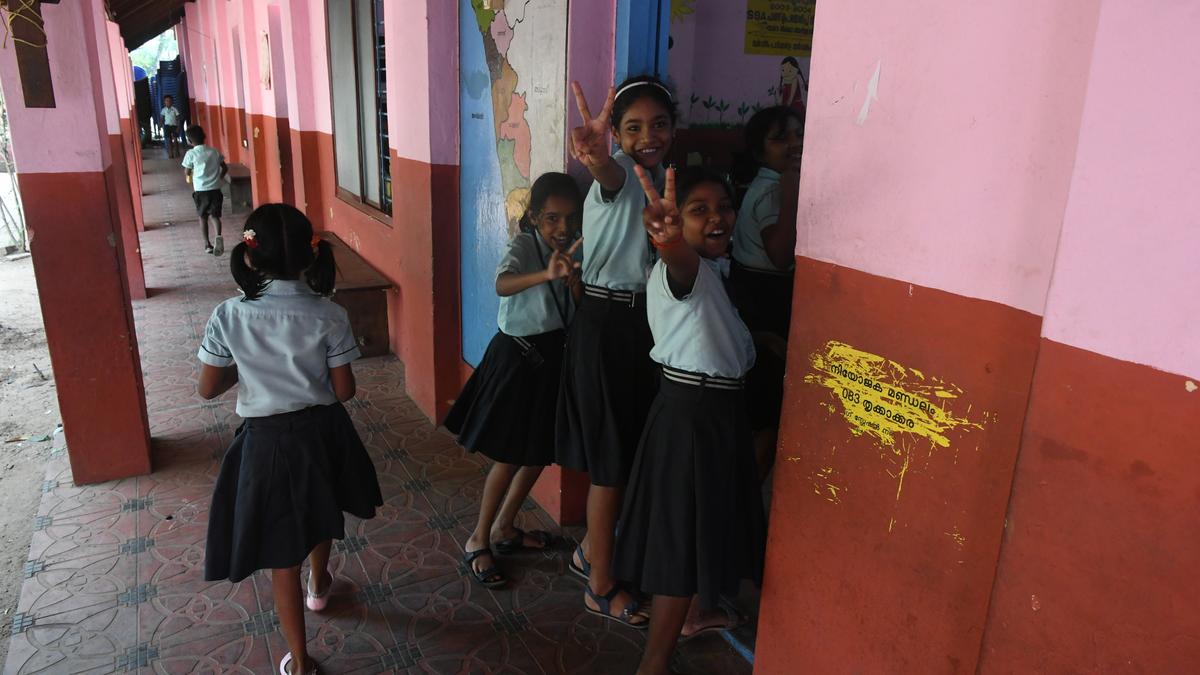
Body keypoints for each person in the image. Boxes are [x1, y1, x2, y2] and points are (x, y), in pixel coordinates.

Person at [197, 203, 383, 675]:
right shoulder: (329, 313)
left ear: (250, 256)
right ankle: (320, 583)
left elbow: (208, 387)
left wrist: (254, 364)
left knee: (283, 554)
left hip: (267, 441)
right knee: (321, 508)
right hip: (322, 434)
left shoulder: (228, 315)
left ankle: (300, 663)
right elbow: (344, 390)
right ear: (308, 255)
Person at [615, 166, 767, 675]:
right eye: (698, 210)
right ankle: (653, 664)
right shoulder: (688, 269)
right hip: (696, 417)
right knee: (680, 538)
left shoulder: (715, 272)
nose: (718, 217)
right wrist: (670, 239)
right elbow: (680, 262)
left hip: (701, 411)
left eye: (723, 206)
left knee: (693, 525)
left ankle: (697, 613)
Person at [556, 75, 679, 629]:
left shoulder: (660, 184)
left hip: (635, 327)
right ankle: (600, 586)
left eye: (658, 125)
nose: (647, 136)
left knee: (622, 452)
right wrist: (596, 156)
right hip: (608, 324)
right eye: (633, 128)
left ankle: (590, 552)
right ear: (618, 138)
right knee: (611, 464)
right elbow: (606, 176)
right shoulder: (620, 182)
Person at [444, 173, 584, 588]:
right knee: (508, 456)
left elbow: (571, 309)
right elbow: (502, 284)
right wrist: (546, 274)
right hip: (518, 358)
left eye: (570, 219)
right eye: (552, 219)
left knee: (537, 452)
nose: (562, 228)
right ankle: (478, 538)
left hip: (551, 361)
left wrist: (573, 285)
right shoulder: (524, 246)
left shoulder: (575, 251)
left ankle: (505, 527)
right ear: (535, 217)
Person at [730, 105, 804, 479]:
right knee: (767, 408)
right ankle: (748, 491)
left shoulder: (766, 185)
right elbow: (779, 255)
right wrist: (792, 191)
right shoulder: (772, 191)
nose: (793, 143)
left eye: (797, 134)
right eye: (780, 139)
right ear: (760, 152)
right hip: (764, 298)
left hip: (757, 293)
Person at [181, 126, 229, 256]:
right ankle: (218, 236)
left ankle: (207, 244)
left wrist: (189, 174)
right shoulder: (214, 151)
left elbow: (187, 171)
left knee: (202, 217)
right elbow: (224, 167)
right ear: (204, 136)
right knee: (215, 216)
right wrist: (220, 177)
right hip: (215, 189)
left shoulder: (191, 154)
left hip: (201, 190)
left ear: (189, 140)